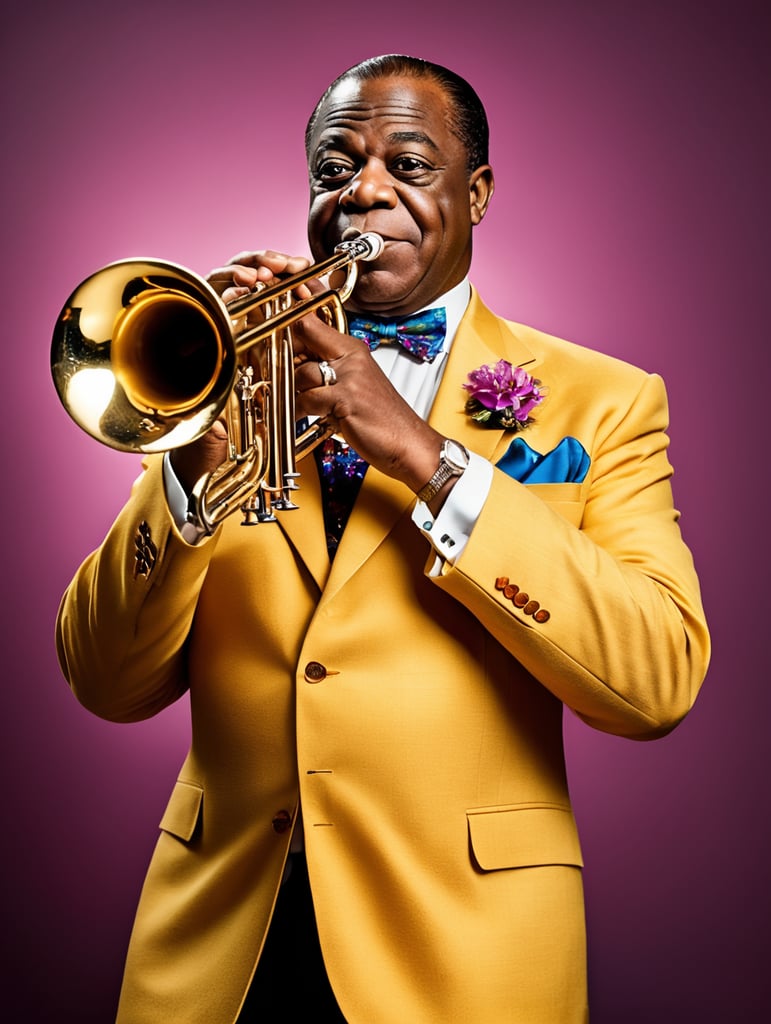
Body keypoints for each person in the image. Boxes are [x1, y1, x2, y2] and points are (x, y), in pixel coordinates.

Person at [55, 54, 710, 1024]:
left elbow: (658, 678)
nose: (364, 189)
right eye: (334, 167)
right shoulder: (222, 390)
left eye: (409, 164)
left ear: (476, 194)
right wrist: (190, 471)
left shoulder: (604, 401)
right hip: (221, 954)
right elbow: (106, 681)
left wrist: (428, 457)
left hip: (464, 959)